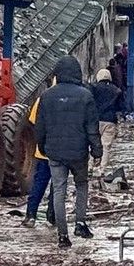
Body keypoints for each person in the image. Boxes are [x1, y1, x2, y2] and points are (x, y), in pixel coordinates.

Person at [33, 55, 102, 248]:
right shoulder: (86, 96)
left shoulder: (46, 96)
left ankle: (62, 235)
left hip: (54, 153)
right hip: (79, 153)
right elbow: (92, 127)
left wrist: (41, 147)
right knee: (81, 186)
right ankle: (80, 223)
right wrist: (97, 151)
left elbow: (39, 127)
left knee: (59, 190)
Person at [21, 89, 52, 228]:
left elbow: (33, 121)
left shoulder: (43, 98)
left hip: (43, 152)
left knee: (39, 183)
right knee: (58, 186)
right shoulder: (78, 96)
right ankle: (53, 216)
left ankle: (31, 215)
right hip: (64, 152)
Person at [91, 69, 125, 170]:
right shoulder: (116, 90)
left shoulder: (93, 88)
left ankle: (89, 166)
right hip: (110, 120)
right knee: (106, 146)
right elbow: (121, 106)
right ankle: (103, 167)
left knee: (92, 144)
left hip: (95, 120)